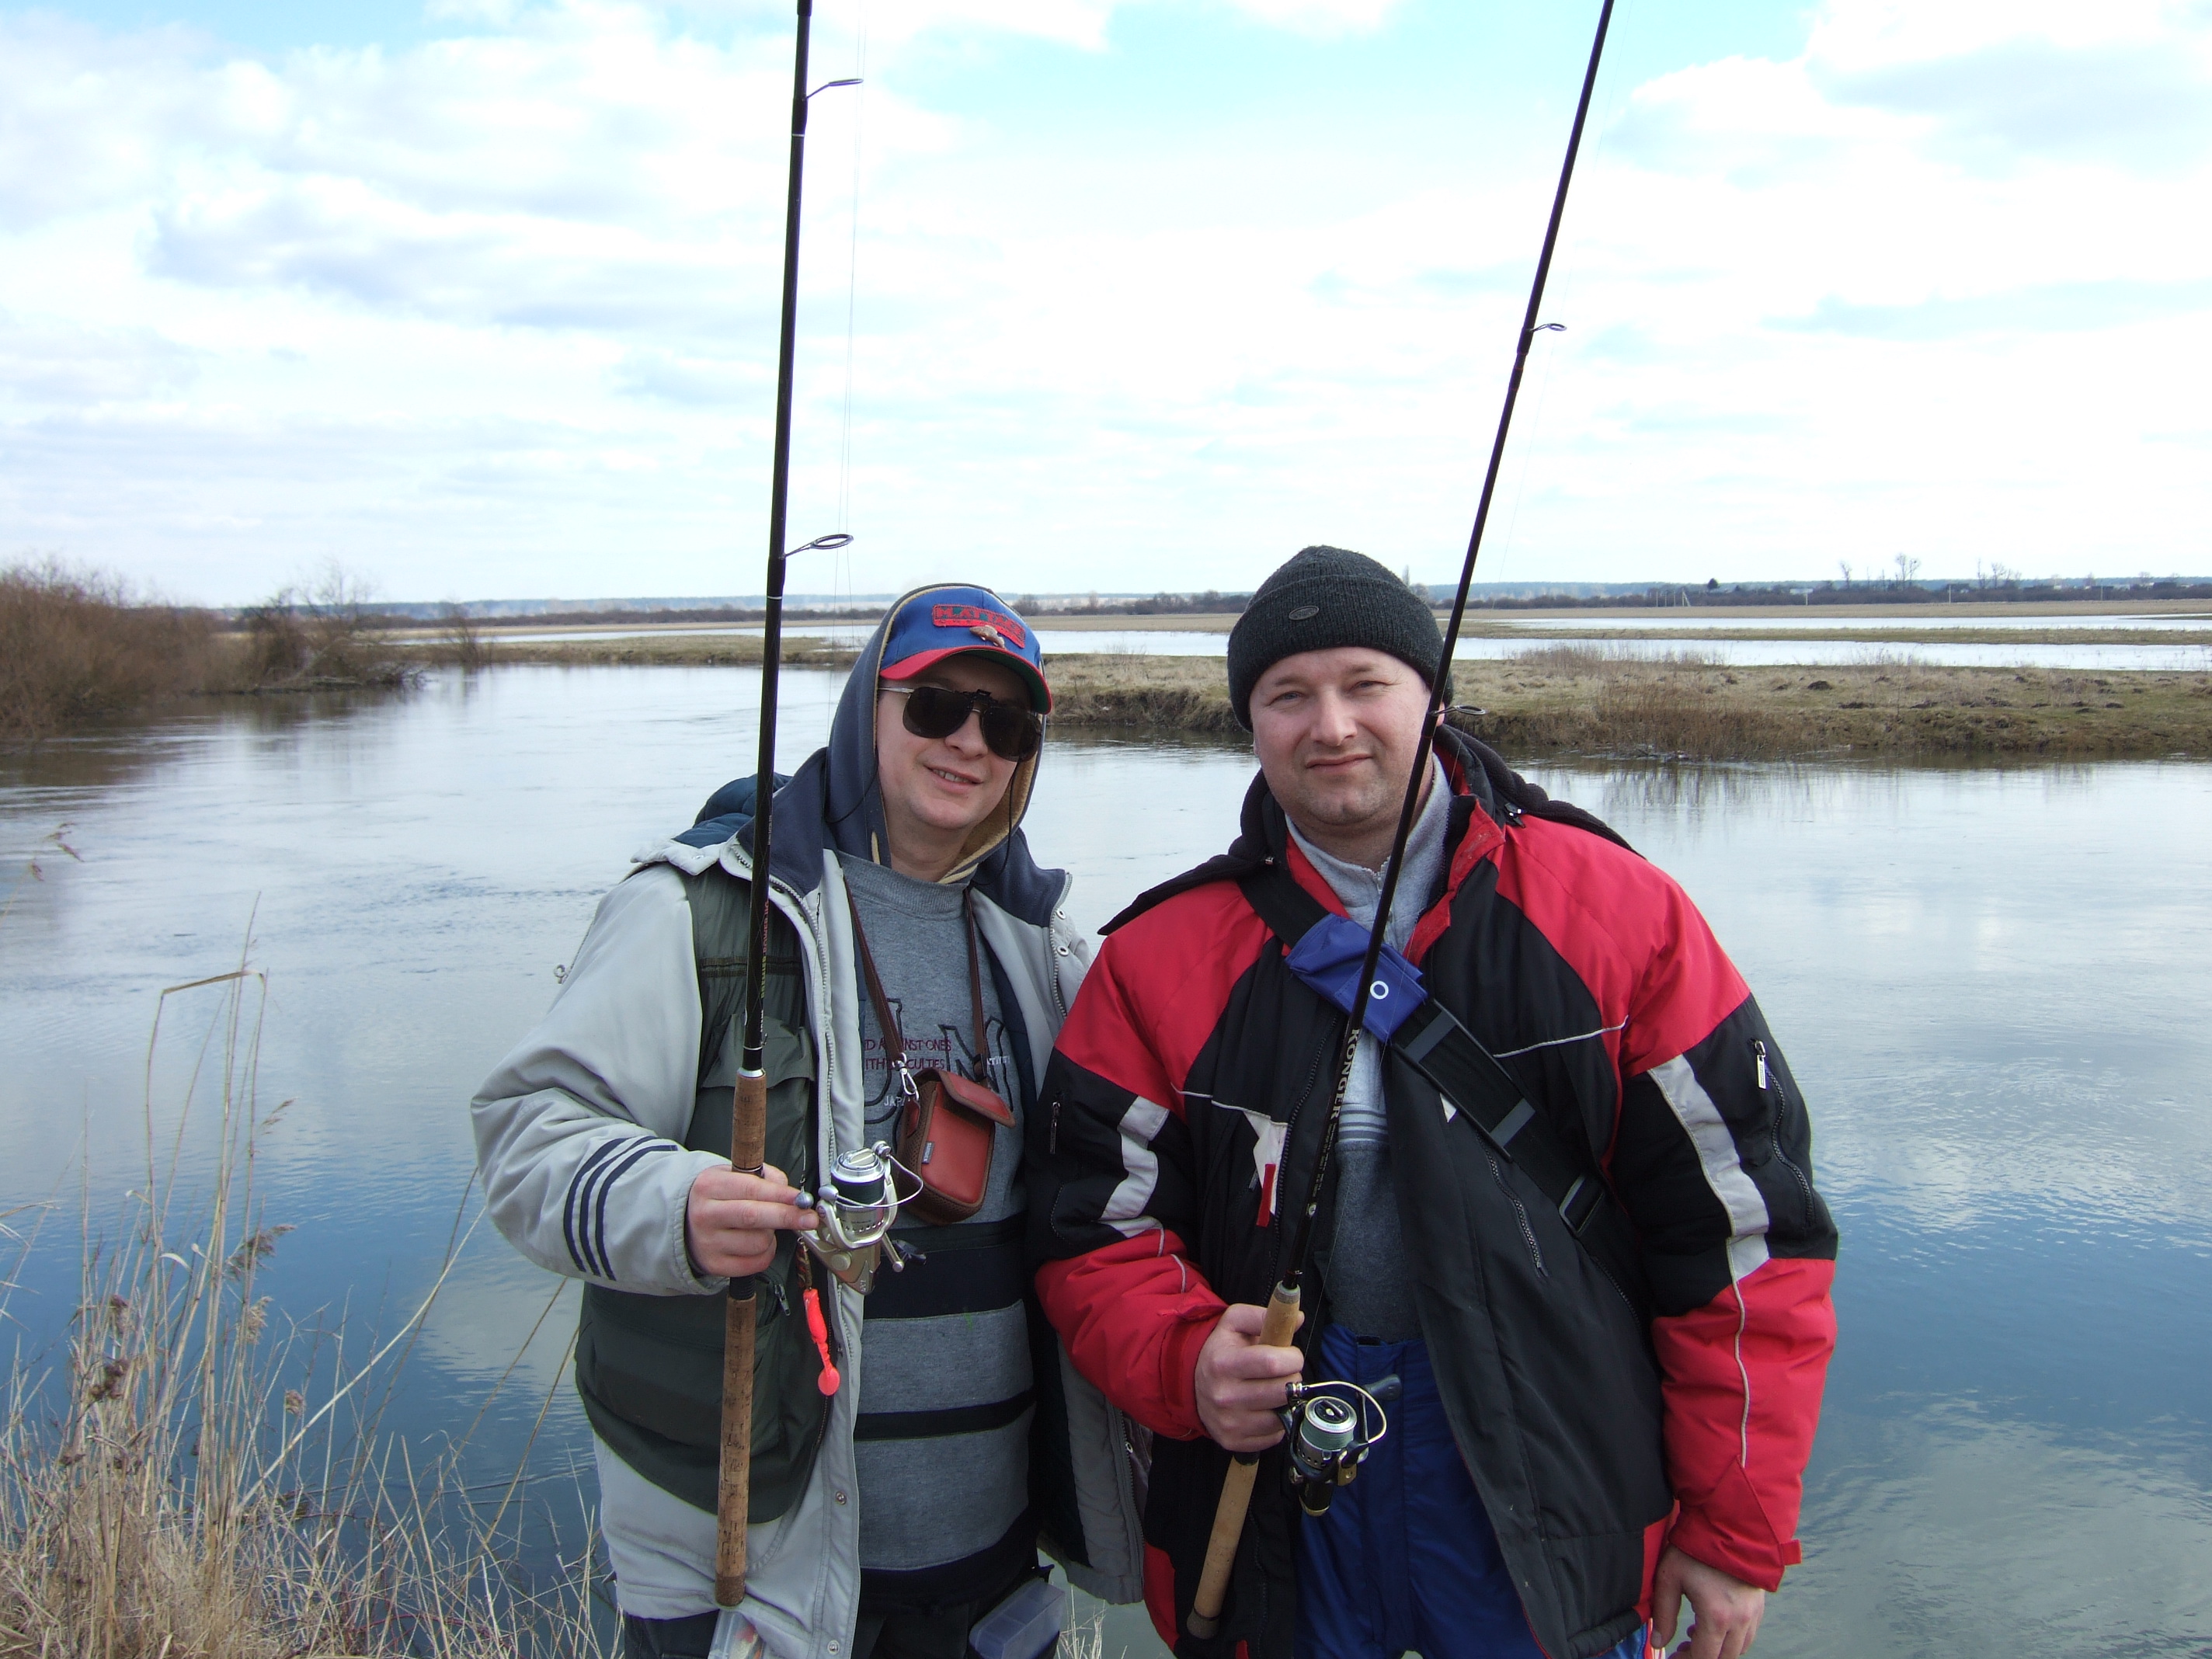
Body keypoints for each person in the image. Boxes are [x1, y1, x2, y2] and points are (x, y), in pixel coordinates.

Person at [1026, 547, 1838, 1659]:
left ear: (1433, 698)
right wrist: (1187, 1359)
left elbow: (1745, 1235)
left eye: (1366, 684)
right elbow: (1089, 1227)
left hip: (1558, 1489)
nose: (1332, 726)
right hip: (1276, 1508)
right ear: (1249, 725)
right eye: (1288, 695)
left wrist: (1735, 1528)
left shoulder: (1622, 915)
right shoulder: (1155, 956)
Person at [473, 586, 1144, 1659]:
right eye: (936, 706)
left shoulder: (1050, 948)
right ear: (866, 708)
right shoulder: (698, 908)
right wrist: (675, 1208)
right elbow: (528, 1136)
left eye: (1009, 724)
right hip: (752, 1582)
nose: (970, 742)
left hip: (992, 1567)